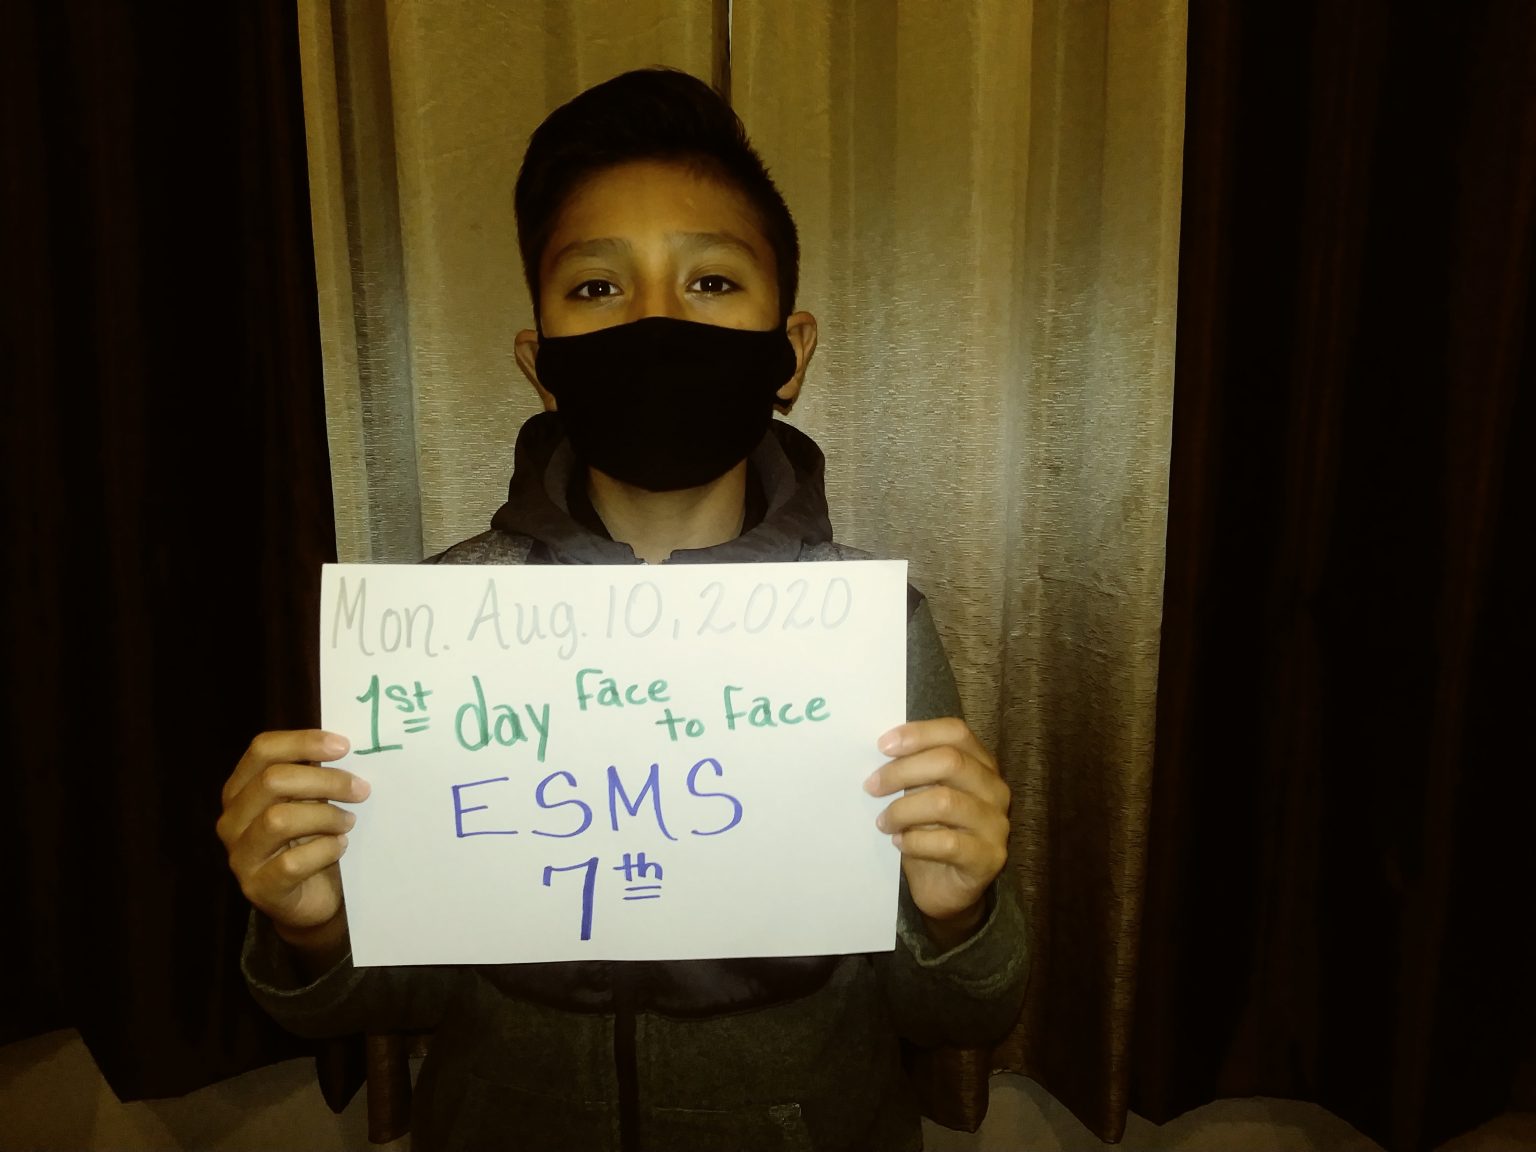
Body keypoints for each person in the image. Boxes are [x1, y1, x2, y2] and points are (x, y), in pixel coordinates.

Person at [218, 67, 1027, 1152]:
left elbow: (959, 1014)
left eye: (711, 281)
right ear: (541, 363)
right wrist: (312, 927)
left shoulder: (872, 633)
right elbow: (392, 1001)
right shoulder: (436, 632)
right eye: (597, 287)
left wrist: (959, 914)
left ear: (789, 353)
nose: (654, 321)